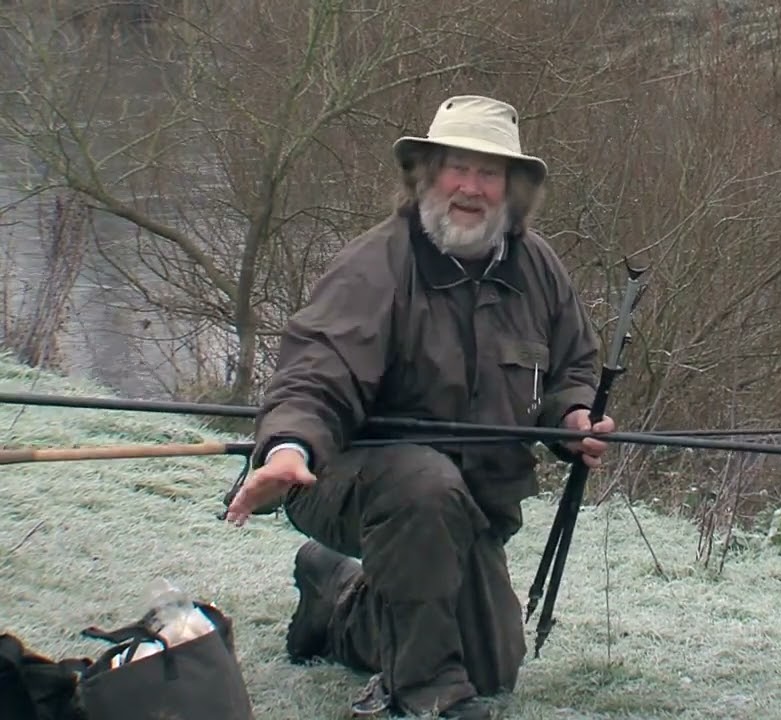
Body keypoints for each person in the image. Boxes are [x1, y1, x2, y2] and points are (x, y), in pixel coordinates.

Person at [223, 94, 616, 719]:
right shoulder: (377, 262)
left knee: (493, 665)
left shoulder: (538, 267)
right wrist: (290, 447)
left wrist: (571, 419)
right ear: (427, 174)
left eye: (489, 173)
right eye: (457, 167)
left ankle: (337, 595)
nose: (471, 187)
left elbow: (571, 366)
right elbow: (316, 373)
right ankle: (426, 695)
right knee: (423, 486)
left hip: (468, 508)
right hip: (346, 478)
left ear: (512, 189)